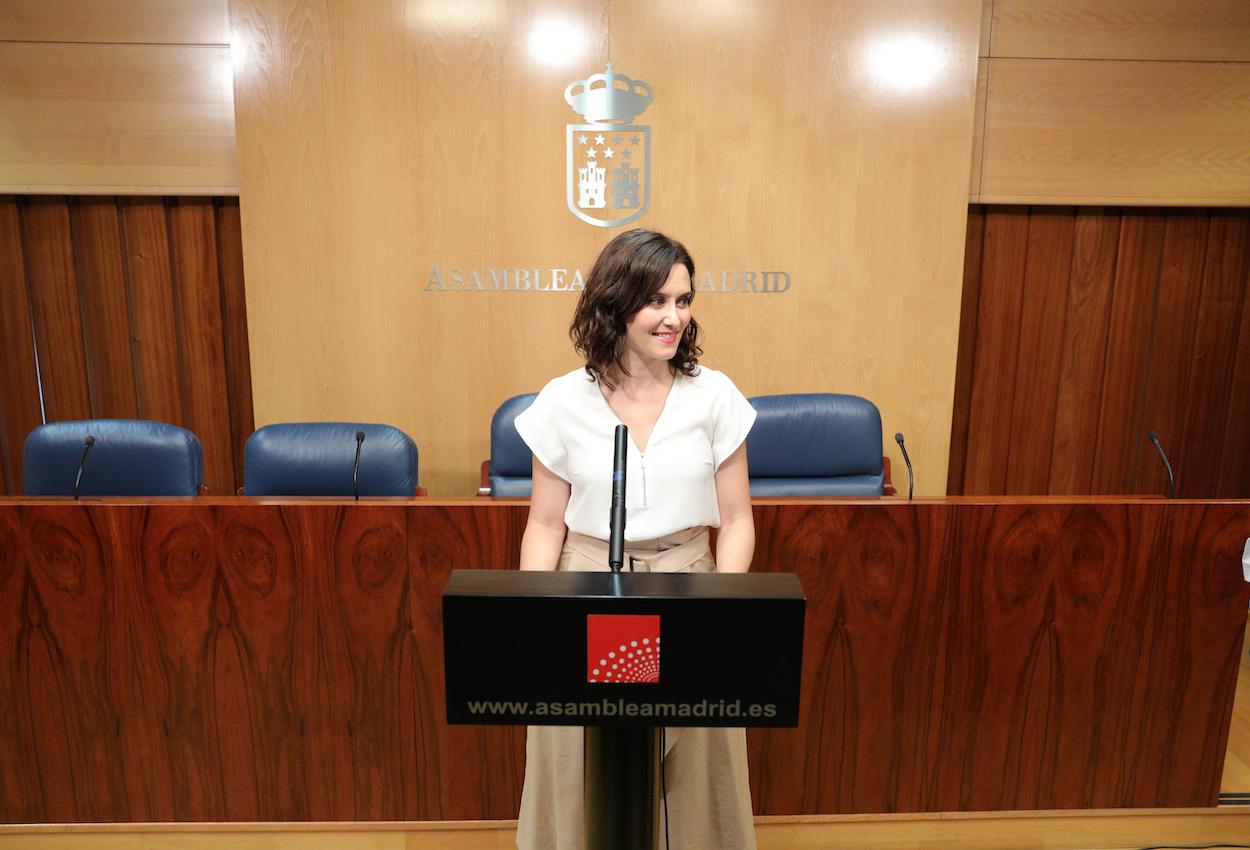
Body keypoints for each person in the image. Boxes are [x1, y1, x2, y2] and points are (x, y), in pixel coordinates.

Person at [513, 228, 758, 850]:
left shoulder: (715, 396)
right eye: (657, 301)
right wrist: (536, 618)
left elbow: (737, 520)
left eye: (684, 300)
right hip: (593, 591)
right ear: (615, 304)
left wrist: (724, 610)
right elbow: (545, 523)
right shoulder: (563, 401)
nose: (674, 317)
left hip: (687, 589)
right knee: (591, 760)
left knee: (694, 763)